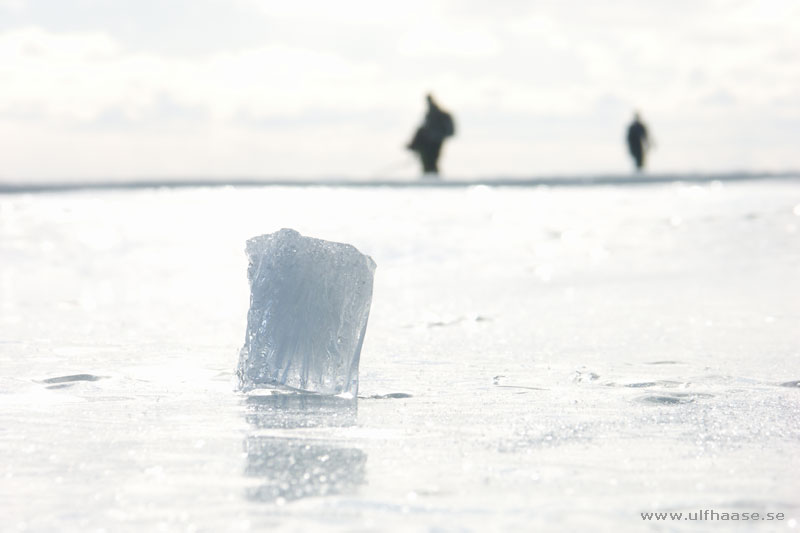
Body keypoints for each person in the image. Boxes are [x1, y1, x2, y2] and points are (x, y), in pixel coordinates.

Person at [407, 94, 455, 176]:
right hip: (431, 142)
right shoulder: (431, 114)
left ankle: (432, 179)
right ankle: (430, 178)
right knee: (429, 162)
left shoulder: (436, 114)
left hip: (434, 142)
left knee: (431, 162)